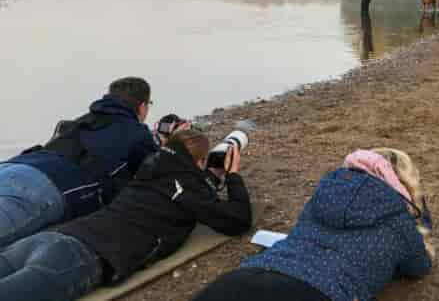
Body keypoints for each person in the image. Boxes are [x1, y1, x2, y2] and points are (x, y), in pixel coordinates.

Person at [0, 129, 252, 301]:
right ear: (199, 162)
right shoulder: (190, 192)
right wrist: (232, 175)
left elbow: (174, 179)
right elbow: (239, 220)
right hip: (79, 257)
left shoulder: (147, 169)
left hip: (50, 238)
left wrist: (204, 178)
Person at [191, 147, 433, 301]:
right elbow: (419, 267)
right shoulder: (398, 220)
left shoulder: (322, 197)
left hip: (246, 276)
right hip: (316, 292)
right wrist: (416, 212)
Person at [0, 77, 159, 247]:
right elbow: (154, 179)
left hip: (15, 165)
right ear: (142, 106)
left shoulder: (79, 122)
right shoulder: (138, 134)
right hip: (43, 184)